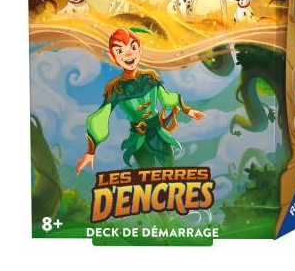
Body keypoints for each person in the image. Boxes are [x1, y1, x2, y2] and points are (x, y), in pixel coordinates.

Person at [76, 28, 205, 173]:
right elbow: (101, 117)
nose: (128, 54)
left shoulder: (150, 77)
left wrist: (188, 110)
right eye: (120, 51)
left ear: (139, 49)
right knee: (146, 174)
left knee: (170, 170)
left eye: (132, 47)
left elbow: (167, 99)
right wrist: (91, 151)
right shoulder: (116, 87)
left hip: (159, 133)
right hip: (138, 139)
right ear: (113, 57)